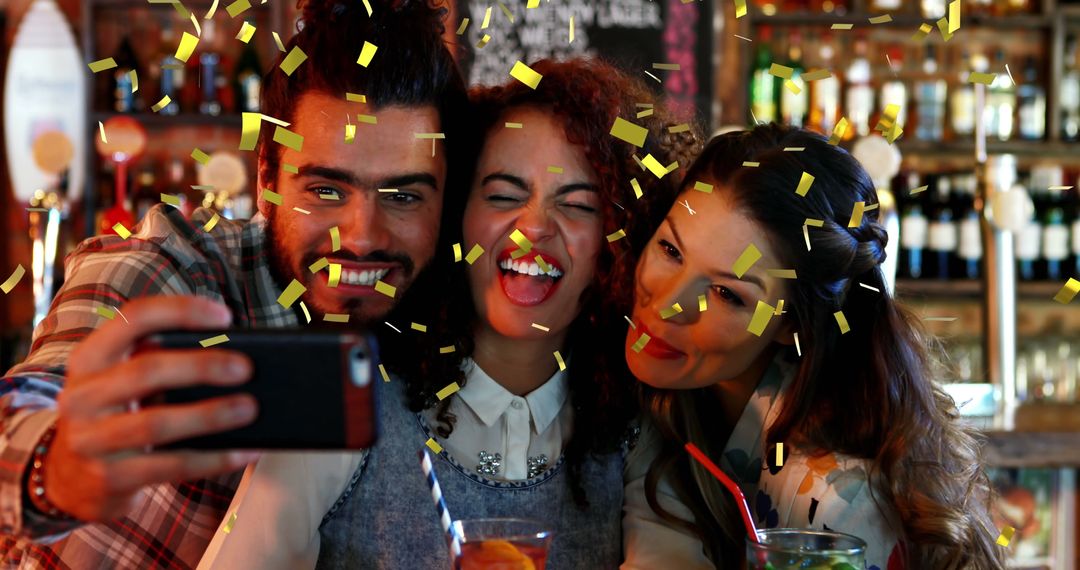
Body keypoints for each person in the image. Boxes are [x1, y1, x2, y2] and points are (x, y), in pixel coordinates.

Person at [0, 0, 469, 566]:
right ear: (267, 176)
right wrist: (57, 471)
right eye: (326, 190)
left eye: (403, 196)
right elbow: (24, 410)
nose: (363, 237)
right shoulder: (175, 275)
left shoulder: (435, 323)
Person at [195, 58, 702, 569]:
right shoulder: (339, 395)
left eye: (579, 206)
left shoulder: (637, 428)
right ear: (454, 215)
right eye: (504, 195)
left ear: (620, 243)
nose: (534, 228)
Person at [621, 124, 1005, 569]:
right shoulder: (673, 395)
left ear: (792, 324)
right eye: (671, 249)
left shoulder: (834, 506)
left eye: (729, 294)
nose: (668, 304)